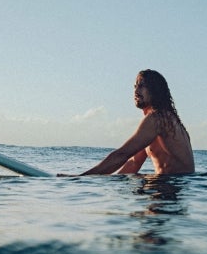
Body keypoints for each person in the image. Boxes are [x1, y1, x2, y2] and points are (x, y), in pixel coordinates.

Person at [60, 69, 194, 176]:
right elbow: (134, 163)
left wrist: (81, 178)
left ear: (155, 90)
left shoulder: (157, 119)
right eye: (135, 86)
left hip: (171, 188)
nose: (136, 91)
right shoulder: (166, 119)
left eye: (141, 86)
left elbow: (122, 154)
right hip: (174, 188)